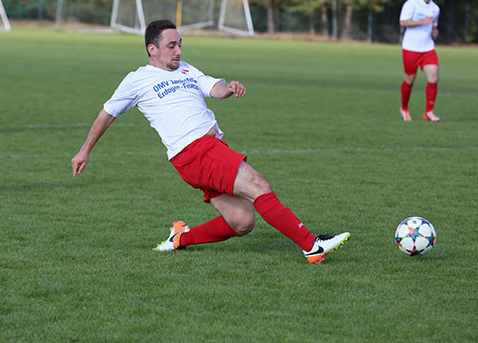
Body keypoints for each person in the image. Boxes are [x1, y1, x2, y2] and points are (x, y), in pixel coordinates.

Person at [71, 19, 350, 264]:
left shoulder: (187, 70)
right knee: (258, 186)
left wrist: (227, 88)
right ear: (152, 49)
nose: (178, 50)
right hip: (196, 152)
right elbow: (108, 113)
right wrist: (84, 151)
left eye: (180, 44)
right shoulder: (137, 80)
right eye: (171, 46)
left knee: (242, 222)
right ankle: (311, 245)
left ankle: (181, 239)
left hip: (204, 154)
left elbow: (212, 88)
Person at [398, 0, 441, 122]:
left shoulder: (435, 8)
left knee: (434, 77)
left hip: (427, 48)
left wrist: (435, 32)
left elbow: (433, 26)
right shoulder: (412, 3)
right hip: (411, 48)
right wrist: (422, 22)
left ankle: (429, 111)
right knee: (410, 79)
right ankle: (404, 108)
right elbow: (403, 22)